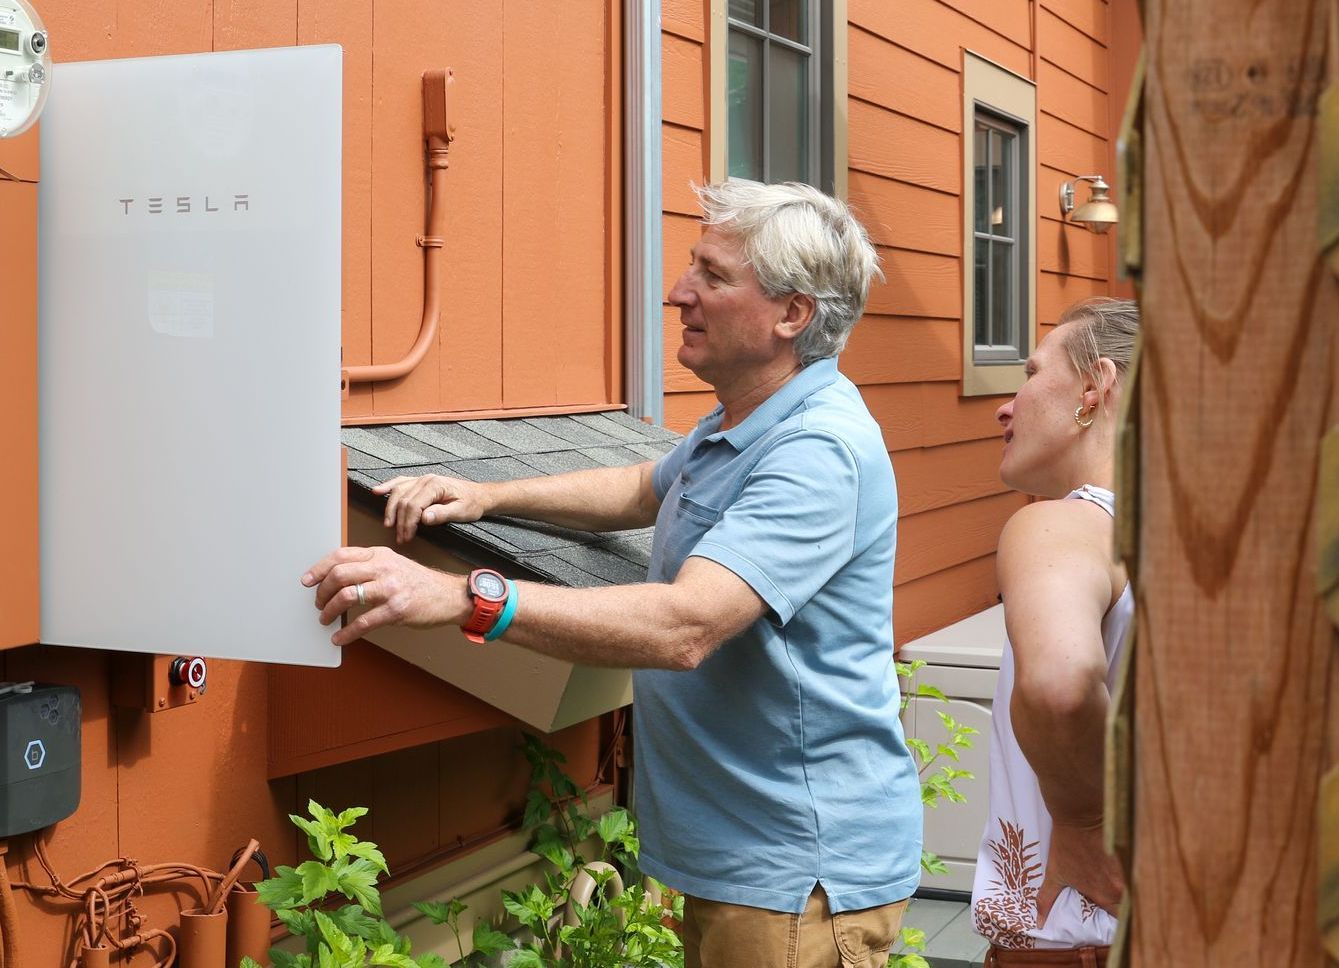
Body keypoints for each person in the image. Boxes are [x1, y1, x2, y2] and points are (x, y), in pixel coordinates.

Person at [302, 179, 923, 968]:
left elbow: (686, 625)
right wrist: (487, 494)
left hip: (798, 871)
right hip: (741, 858)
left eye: (712, 275)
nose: (678, 293)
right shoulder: (746, 419)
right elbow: (641, 488)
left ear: (791, 314)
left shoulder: (815, 453)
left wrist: (465, 596)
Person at [970, 298, 1139, 967]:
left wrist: (1086, 822)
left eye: (1031, 373)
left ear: (1094, 388)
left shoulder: (1060, 525)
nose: (1004, 407)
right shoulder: (1209, 558)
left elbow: (1058, 685)